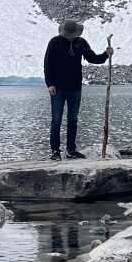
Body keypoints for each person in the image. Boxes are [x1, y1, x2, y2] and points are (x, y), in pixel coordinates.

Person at [43, 19, 111, 160]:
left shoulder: (81, 42)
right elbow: (48, 65)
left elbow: (92, 58)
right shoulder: (54, 42)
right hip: (58, 88)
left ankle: (71, 150)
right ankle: (55, 151)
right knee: (56, 120)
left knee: (73, 120)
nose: (70, 37)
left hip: (75, 88)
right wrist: (50, 84)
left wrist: (105, 54)